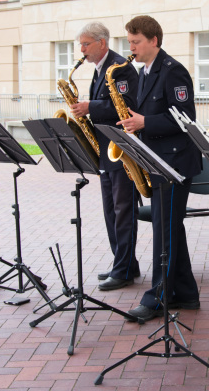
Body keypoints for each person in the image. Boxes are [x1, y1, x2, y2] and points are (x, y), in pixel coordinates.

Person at [118, 15, 202, 322]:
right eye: (129, 42)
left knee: (164, 231)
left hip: (175, 164)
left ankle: (158, 298)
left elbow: (185, 119)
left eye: (136, 42)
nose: (132, 48)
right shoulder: (144, 72)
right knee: (170, 227)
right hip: (157, 160)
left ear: (154, 40)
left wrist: (145, 122)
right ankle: (187, 293)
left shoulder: (173, 71)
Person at [70, 22, 141, 291]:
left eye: (86, 44)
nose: (82, 50)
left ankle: (123, 270)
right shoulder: (101, 68)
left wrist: (90, 107)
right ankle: (123, 264)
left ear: (102, 43)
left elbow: (125, 106)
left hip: (121, 150)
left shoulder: (120, 68)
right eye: (81, 45)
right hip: (105, 151)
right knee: (111, 211)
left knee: (123, 211)